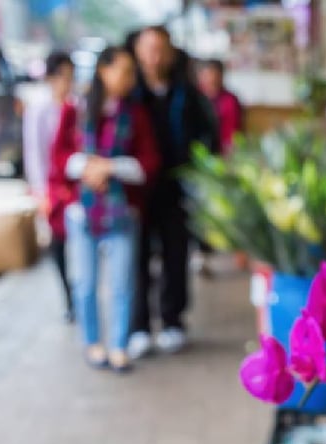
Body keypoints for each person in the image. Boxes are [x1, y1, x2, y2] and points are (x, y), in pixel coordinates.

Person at [51, 46, 160, 373]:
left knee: (122, 284)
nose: (129, 79)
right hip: (82, 213)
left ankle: (119, 346)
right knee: (84, 283)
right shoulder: (77, 111)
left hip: (123, 213)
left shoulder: (136, 115)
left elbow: (149, 164)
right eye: (123, 71)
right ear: (103, 70)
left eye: (132, 73)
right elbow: (58, 158)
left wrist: (109, 168)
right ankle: (92, 342)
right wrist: (87, 167)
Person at [126, 26, 219, 359]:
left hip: (175, 185)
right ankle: (138, 326)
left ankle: (172, 320)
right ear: (137, 51)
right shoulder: (128, 91)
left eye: (161, 48)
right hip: (135, 188)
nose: (155, 55)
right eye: (149, 48)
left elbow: (208, 135)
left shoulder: (185, 92)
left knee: (175, 254)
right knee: (134, 258)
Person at [23, 51, 75, 322]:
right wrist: (42, 191)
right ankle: (69, 295)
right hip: (53, 189)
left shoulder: (76, 106)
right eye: (62, 77)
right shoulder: (39, 109)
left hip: (74, 188)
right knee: (58, 243)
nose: (67, 83)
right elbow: (35, 152)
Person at [197, 59, 243, 154]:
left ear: (221, 76)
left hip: (224, 153)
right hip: (198, 152)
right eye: (207, 75)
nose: (211, 79)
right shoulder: (193, 97)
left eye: (215, 75)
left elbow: (233, 132)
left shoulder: (230, 100)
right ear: (200, 76)